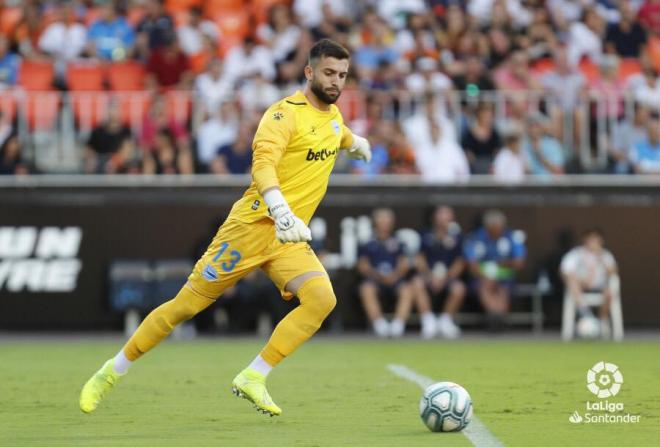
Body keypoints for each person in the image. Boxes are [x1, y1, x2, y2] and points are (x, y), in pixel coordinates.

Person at [79, 39, 372, 417]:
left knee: (321, 300)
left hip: (286, 240)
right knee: (183, 308)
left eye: (343, 76)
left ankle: (254, 376)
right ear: (309, 72)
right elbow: (263, 165)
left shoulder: (333, 118)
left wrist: (356, 142)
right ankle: (110, 373)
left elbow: (336, 134)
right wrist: (280, 208)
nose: (336, 82)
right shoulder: (283, 115)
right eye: (329, 73)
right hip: (252, 227)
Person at [463, 210, 526, 330]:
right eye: (494, 228)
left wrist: (501, 266)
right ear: (487, 227)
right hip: (482, 278)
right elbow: (471, 265)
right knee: (484, 286)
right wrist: (486, 275)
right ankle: (495, 318)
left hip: (506, 278)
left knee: (503, 289)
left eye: (500, 227)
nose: (498, 230)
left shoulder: (511, 237)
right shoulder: (475, 238)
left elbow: (519, 263)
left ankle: (498, 319)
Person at [357, 208, 414, 338]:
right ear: (375, 222)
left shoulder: (399, 241)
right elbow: (363, 266)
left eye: (387, 219)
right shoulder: (367, 242)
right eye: (381, 219)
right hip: (375, 279)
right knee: (366, 289)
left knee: (407, 289)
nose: (384, 222)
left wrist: (394, 276)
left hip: (395, 279)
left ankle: (398, 325)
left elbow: (404, 264)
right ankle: (379, 324)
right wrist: (377, 276)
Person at [411, 206, 466, 339]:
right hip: (428, 275)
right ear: (434, 217)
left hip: (448, 277)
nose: (443, 218)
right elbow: (419, 258)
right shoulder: (425, 234)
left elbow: (460, 261)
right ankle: (428, 321)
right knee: (416, 283)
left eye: (447, 214)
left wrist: (446, 278)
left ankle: (445, 321)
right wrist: (429, 276)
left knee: (459, 288)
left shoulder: (457, 236)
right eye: (441, 214)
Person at [560, 228, 618, 336]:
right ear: (585, 240)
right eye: (590, 239)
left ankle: (601, 322)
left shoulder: (605, 255)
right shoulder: (576, 253)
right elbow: (565, 270)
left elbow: (613, 271)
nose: (593, 242)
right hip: (581, 284)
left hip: (600, 285)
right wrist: (581, 279)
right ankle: (586, 314)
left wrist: (600, 256)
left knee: (610, 291)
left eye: (596, 239)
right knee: (572, 282)